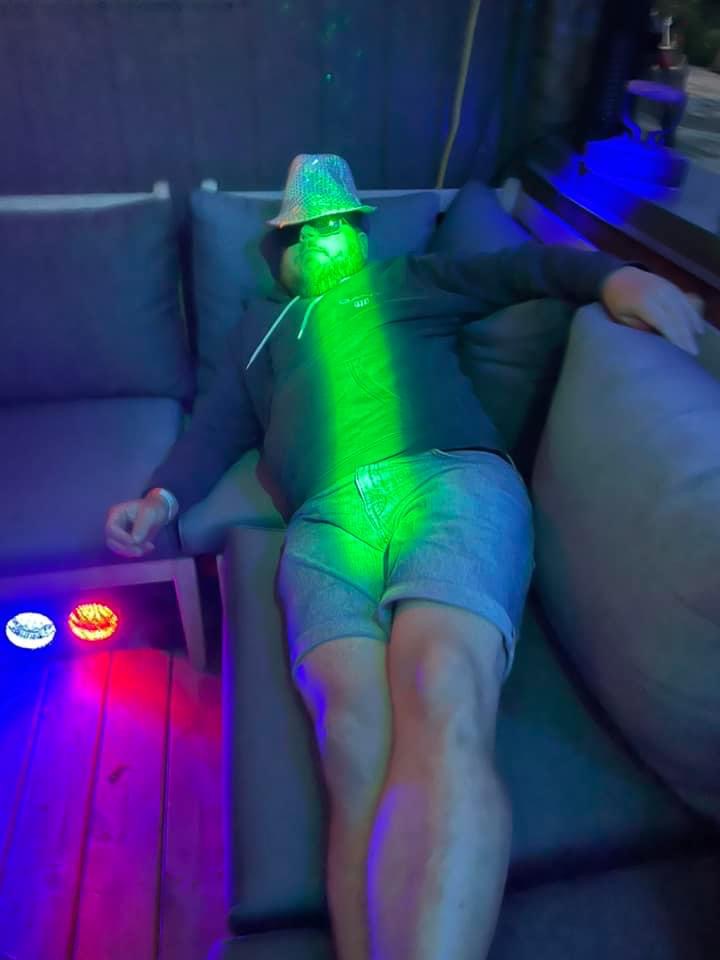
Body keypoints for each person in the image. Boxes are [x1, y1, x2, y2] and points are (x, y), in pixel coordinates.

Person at [105, 155, 703, 960]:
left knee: (442, 680)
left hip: (446, 479)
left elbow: (523, 268)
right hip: (325, 524)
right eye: (304, 232)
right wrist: (159, 499)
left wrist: (614, 276)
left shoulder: (410, 281)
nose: (322, 240)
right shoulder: (261, 330)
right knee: (353, 737)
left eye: (336, 226)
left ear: (360, 234)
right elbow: (216, 424)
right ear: (282, 251)